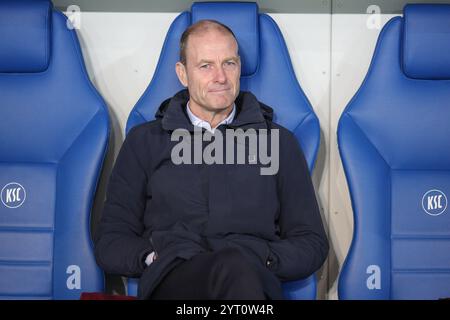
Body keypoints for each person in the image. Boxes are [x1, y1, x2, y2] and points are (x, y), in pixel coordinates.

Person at [94, 20, 328, 300]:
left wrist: (262, 258)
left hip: (252, 278)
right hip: (174, 280)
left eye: (229, 63)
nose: (221, 77)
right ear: (183, 74)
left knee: (235, 270)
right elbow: (111, 242)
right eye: (205, 66)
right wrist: (155, 258)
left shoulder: (279, 143)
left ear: (240, 67)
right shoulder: (145, 142)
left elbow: (311, 242)